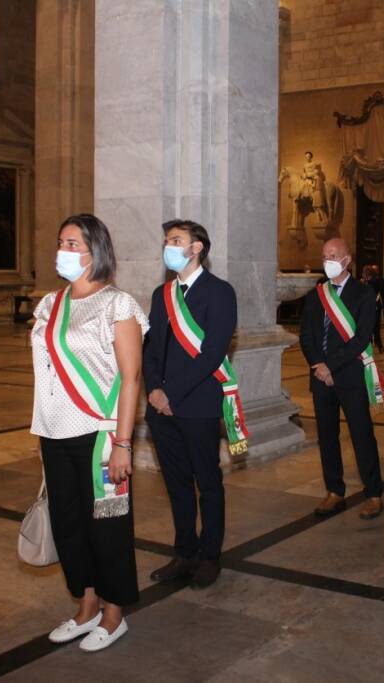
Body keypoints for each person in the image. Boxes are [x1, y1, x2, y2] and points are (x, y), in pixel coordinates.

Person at [31, 214, 147, 652]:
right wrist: (43, 427)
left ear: (96, 250)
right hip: (54, 430)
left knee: (108, 527)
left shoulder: (119, 304)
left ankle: (114, 613)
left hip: (99, 435)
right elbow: (44, 368)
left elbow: (131, 378)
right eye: (61, 241)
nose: (64, 249)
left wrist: (122, 443)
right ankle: (87, 604)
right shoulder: (49, 304)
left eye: (74, 243)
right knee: (68, 524)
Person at [144, 219, 243, 590]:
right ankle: (184, 552)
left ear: (197, 247)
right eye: (167, 239)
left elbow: (213, 352)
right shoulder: (161, 294)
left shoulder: (219, 293)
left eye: (176, 240)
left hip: (198, 405)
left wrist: (173, 393)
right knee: (176, 484)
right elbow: (151, 348)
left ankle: (210, 556)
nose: (168, 245)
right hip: (160, 408)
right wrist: (154, 389)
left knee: (208, 483)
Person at [300, 237, 384, 520]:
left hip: (349, 376)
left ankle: (373, 493)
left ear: (347, 261)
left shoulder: (363, 294)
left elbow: (362, 338)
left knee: (362, 435)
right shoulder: (316, 295)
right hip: (320, 378)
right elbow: (306, 336)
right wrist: (317, 365)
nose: (327, 261)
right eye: (324, 255)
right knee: (327, 436)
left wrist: (330, 366)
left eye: (333, 256)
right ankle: (334, 490)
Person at [361, 264, 384, 353]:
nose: (363, 274)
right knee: (368, 327)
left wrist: (364, 284)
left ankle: (379, 344)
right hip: (367, 307)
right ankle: (370, 344)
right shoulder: (366, 281)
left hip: (375, 306)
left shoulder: (375, 281)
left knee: (375, 327)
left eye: (364, 272)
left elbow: (372, 293)